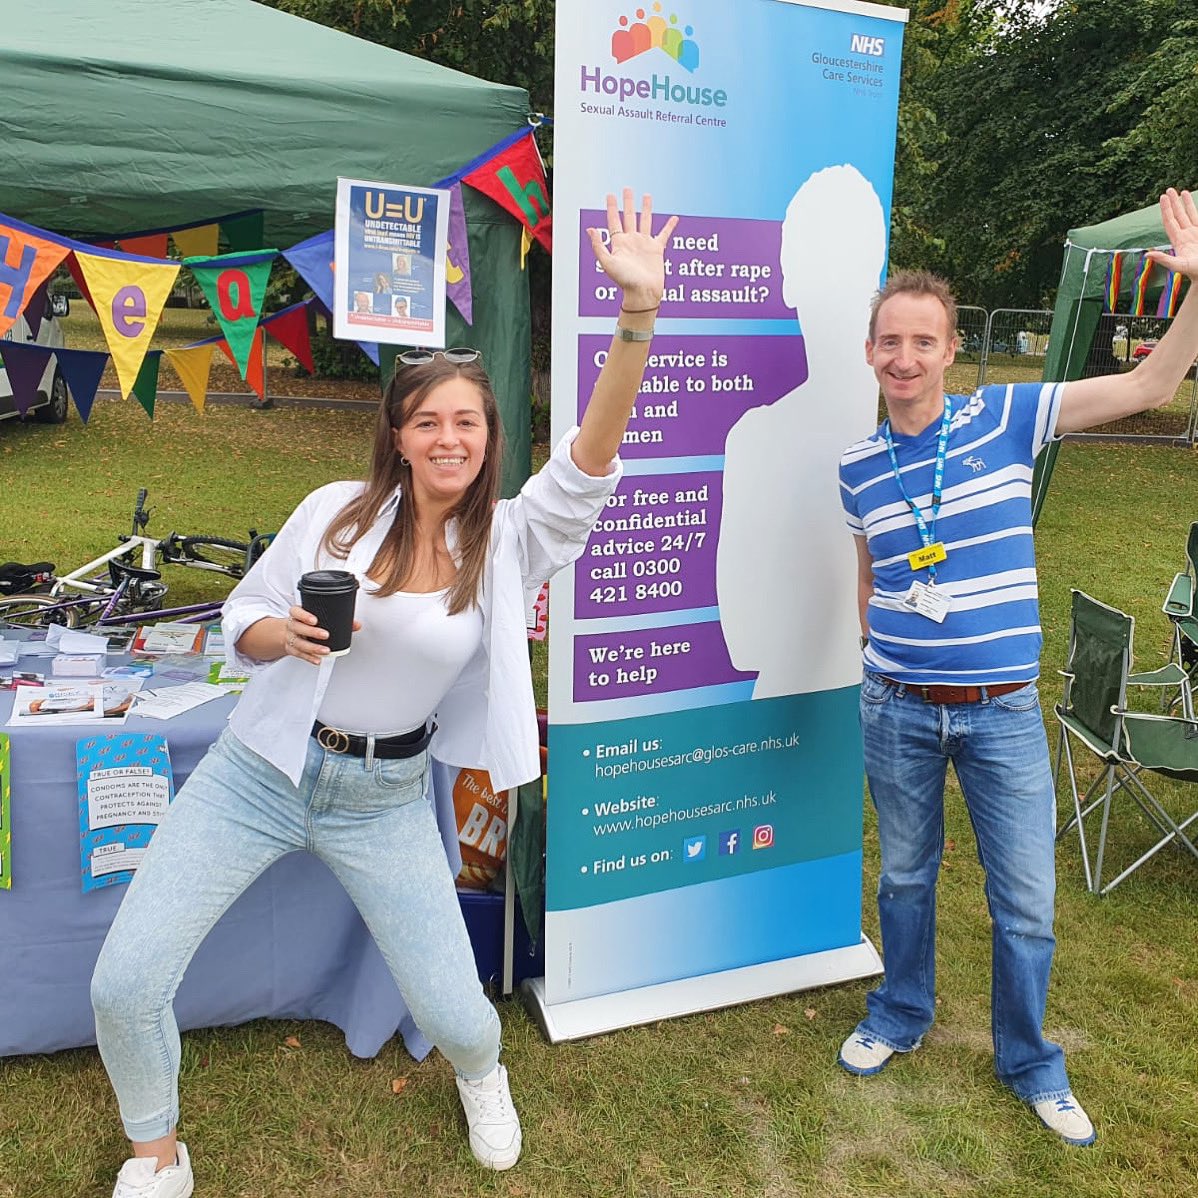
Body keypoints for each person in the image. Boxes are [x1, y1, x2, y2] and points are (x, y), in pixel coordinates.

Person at [90, 189, 678, 1197]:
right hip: (261, 771)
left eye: (469, 423)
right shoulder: (334, 512)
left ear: (489, 438)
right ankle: (155, 1147)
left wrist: (638, 318)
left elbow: (589, 458)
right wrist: (286, 634)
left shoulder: (508, 539)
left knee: (457, 1013)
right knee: (125, 979)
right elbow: (243, 616)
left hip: (386, 800)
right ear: (399, 435)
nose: (450, 438)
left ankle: (483, 1075)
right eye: (429, 421)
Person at [835, 187, 1198, 1147]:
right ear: (869, 352)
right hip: (897, 706)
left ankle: (1031, 1060)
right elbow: (868, 581)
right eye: (889, 342)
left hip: (1000, 714)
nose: (905, 358)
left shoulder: (1007, 416)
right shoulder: (857, 467)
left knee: (1025, 902)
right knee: (905, 878)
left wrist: (1197, 292)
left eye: (924, 341)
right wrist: (873, 666)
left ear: (952, 350)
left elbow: (1152, 388)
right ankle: (901, 1013)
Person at [718, 164, 886, 697]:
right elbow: (740, 642)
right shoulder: (905, 447)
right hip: (869, 685)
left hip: (840, 690)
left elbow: (744, 638)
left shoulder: (755, 439)